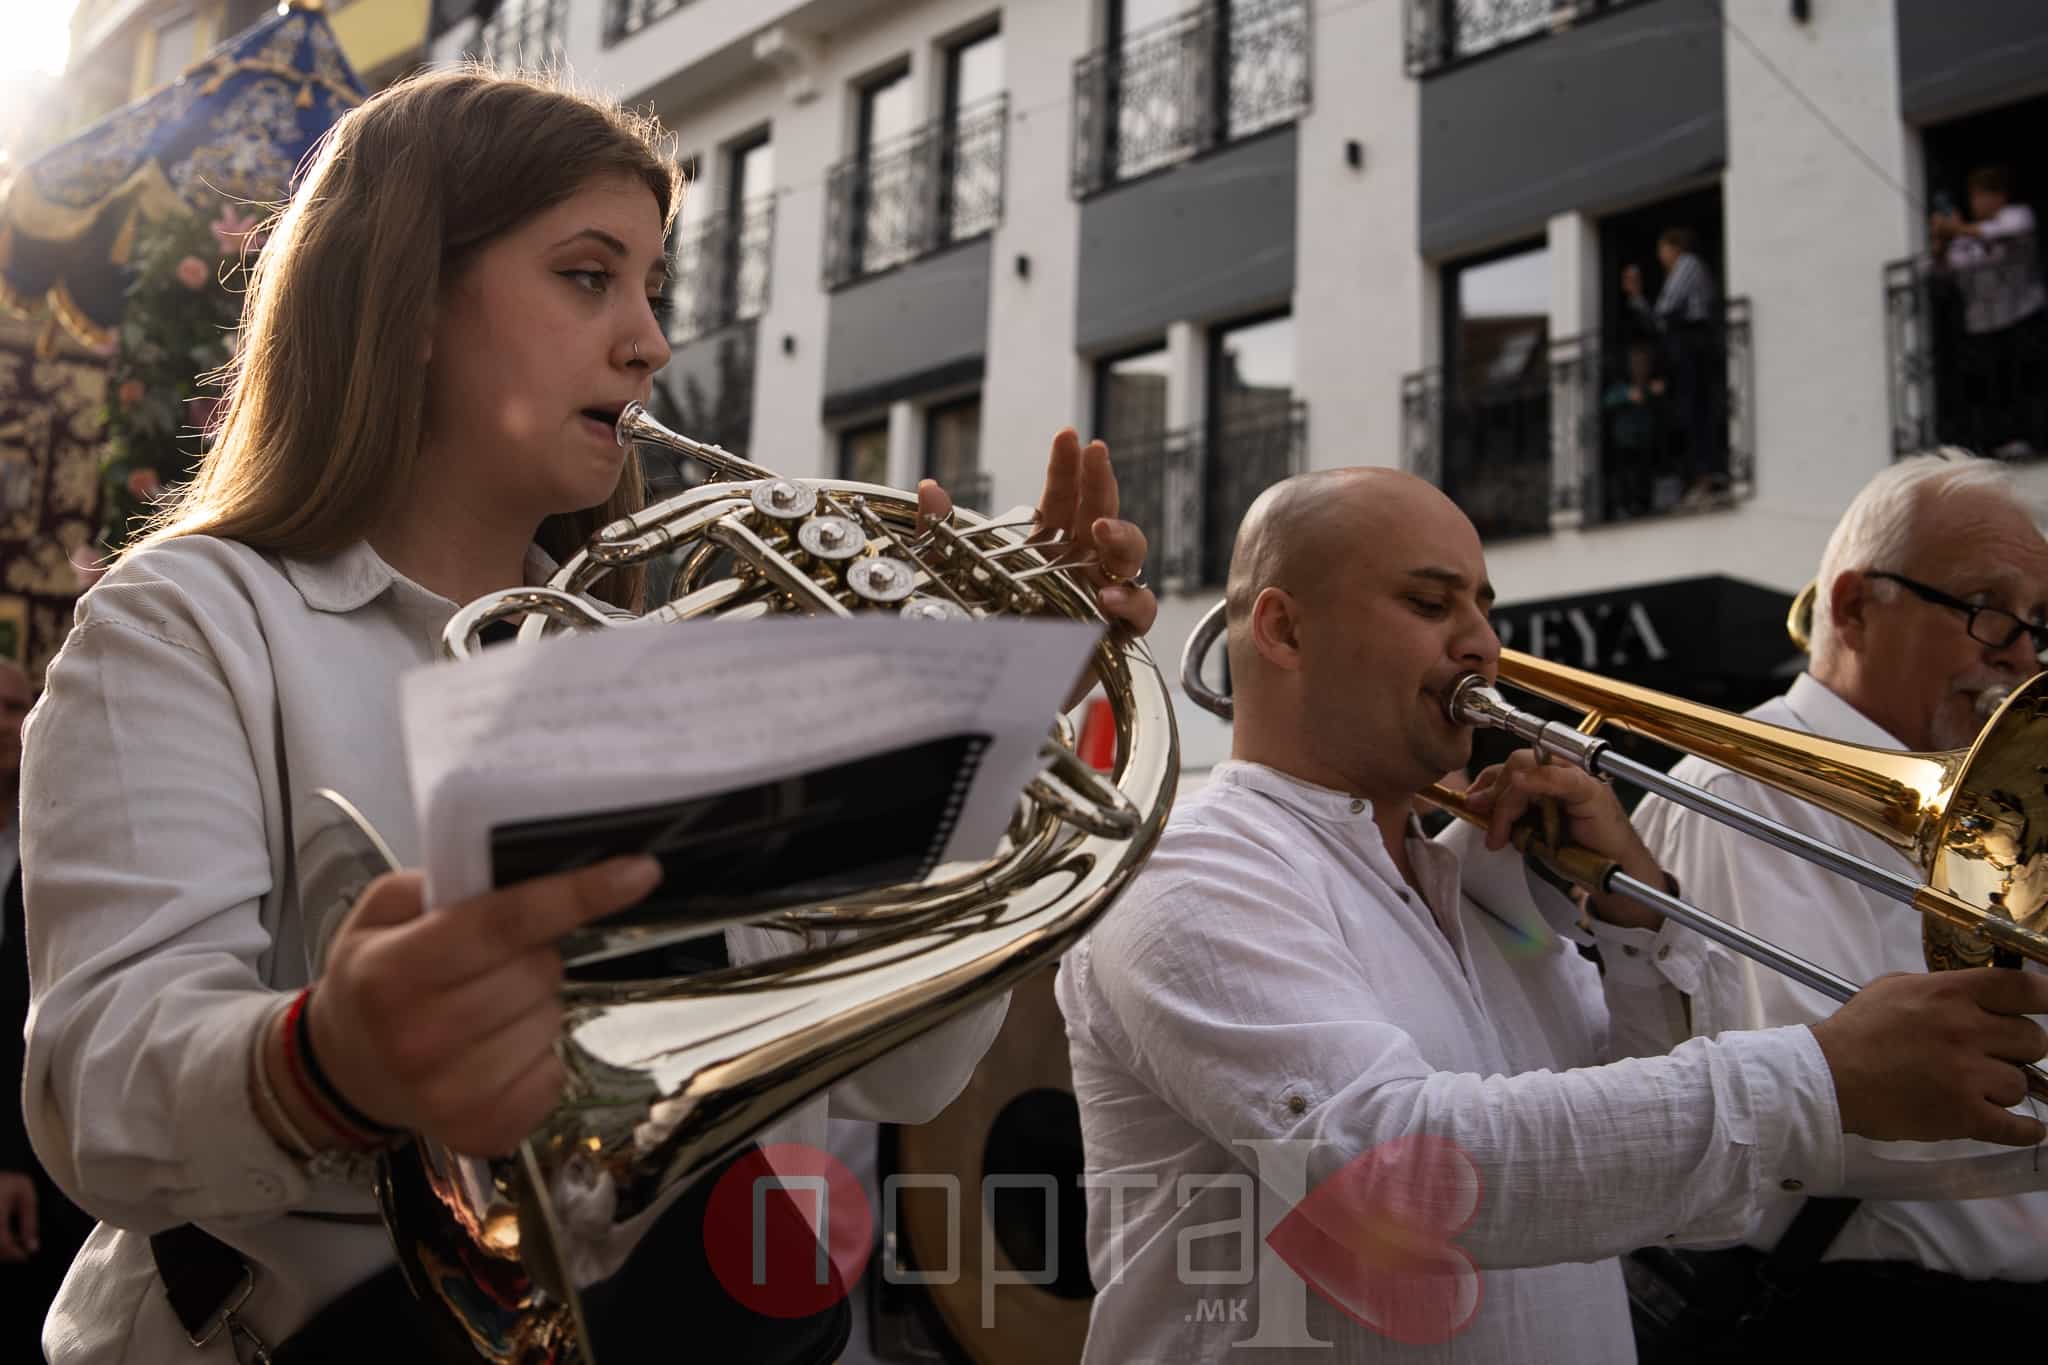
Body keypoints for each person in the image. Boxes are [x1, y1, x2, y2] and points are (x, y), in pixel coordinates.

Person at [19, 69, 1159, 1364]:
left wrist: (972, 739)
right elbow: (98, 1093)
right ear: (409, 302)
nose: (649, 342)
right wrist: (323, 1059)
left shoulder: (655, 659)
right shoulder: (189, 623)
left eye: (653, 289)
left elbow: (904, 1074)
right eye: (586, 276)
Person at [1055, 466, 2048, 1364]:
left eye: (1484, 607)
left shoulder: (1478, 885)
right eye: (1429, 602)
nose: (1483, 644)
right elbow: (1390, 1173)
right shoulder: (1190, 862)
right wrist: (1817, 1074)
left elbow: (1672, 1201)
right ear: (1282, 631)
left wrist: (1631, 918)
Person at [1631, 452, 2048, 1357]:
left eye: (2036, 623)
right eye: (1987, 607)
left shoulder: (2002, 808)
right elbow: (1809, 1116)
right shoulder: (1738, 789)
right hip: (1852, 1315)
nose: (2020, 653)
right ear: (1855, 607)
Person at [1, 659, 91, 1363]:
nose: (12, 724)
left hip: (44, 1162)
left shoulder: (56, 841)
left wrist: (13, 1161)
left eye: (19, 705)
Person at [1930, 165, 2046, 458]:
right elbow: (1942, 273)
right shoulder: (1963, 241)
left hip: (2022, 315)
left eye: (1982, 195)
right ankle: (1996, 443)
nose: (1977, 203)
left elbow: (2007, 232)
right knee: (1990, 387)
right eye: (1974, 196)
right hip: (1981, 326)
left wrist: (1955, 229)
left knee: (2028, 381)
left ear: (1999, 197)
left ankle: (2034, 437)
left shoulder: (2017, 215)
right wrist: (1940, 244)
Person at [1624, 230, 1722, 504]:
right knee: (1688, 410)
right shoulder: (1682, 268)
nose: (1661, 257)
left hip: (1694, 342)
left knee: (1696, 408)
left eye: (1663, 250)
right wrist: (1637, 296)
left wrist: (1643, 299)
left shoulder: (1688, 264)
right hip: (1685, 344)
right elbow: (1659, 320)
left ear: (1675, 248)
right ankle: (1698, 475)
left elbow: (1665, 310)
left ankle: (1706, 474)